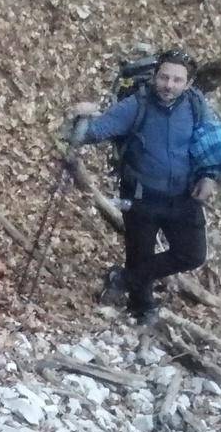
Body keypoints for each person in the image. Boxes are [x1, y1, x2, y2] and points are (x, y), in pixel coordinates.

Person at [66, 49, 211, 324]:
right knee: (139, 254)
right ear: (155, 76)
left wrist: (209, 177)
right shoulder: (137, 104)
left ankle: (122, 279)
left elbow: (209, 145)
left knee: (192, 254)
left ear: (189, 84)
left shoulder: (196, 106)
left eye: (177, 80)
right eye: (164, 77)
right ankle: (142, 308)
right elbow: (95, 132)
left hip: (184, 195)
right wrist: (79, 119)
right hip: (141, 196)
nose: (169, 85)